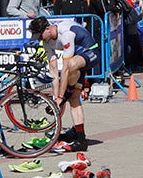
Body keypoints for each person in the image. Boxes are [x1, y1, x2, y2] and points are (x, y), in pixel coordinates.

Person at [30, 14, 96, 152]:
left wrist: (61, 96)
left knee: (70, 65)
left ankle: (66, 95)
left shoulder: (65, 33)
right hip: (77, 62)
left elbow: (65, 69)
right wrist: (55, 98)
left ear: (47, 29)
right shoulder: (47, 42)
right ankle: (80, 139)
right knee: (74, 100)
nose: (40, 40)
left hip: (91, 52)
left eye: (40, 36)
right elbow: (53, 71)